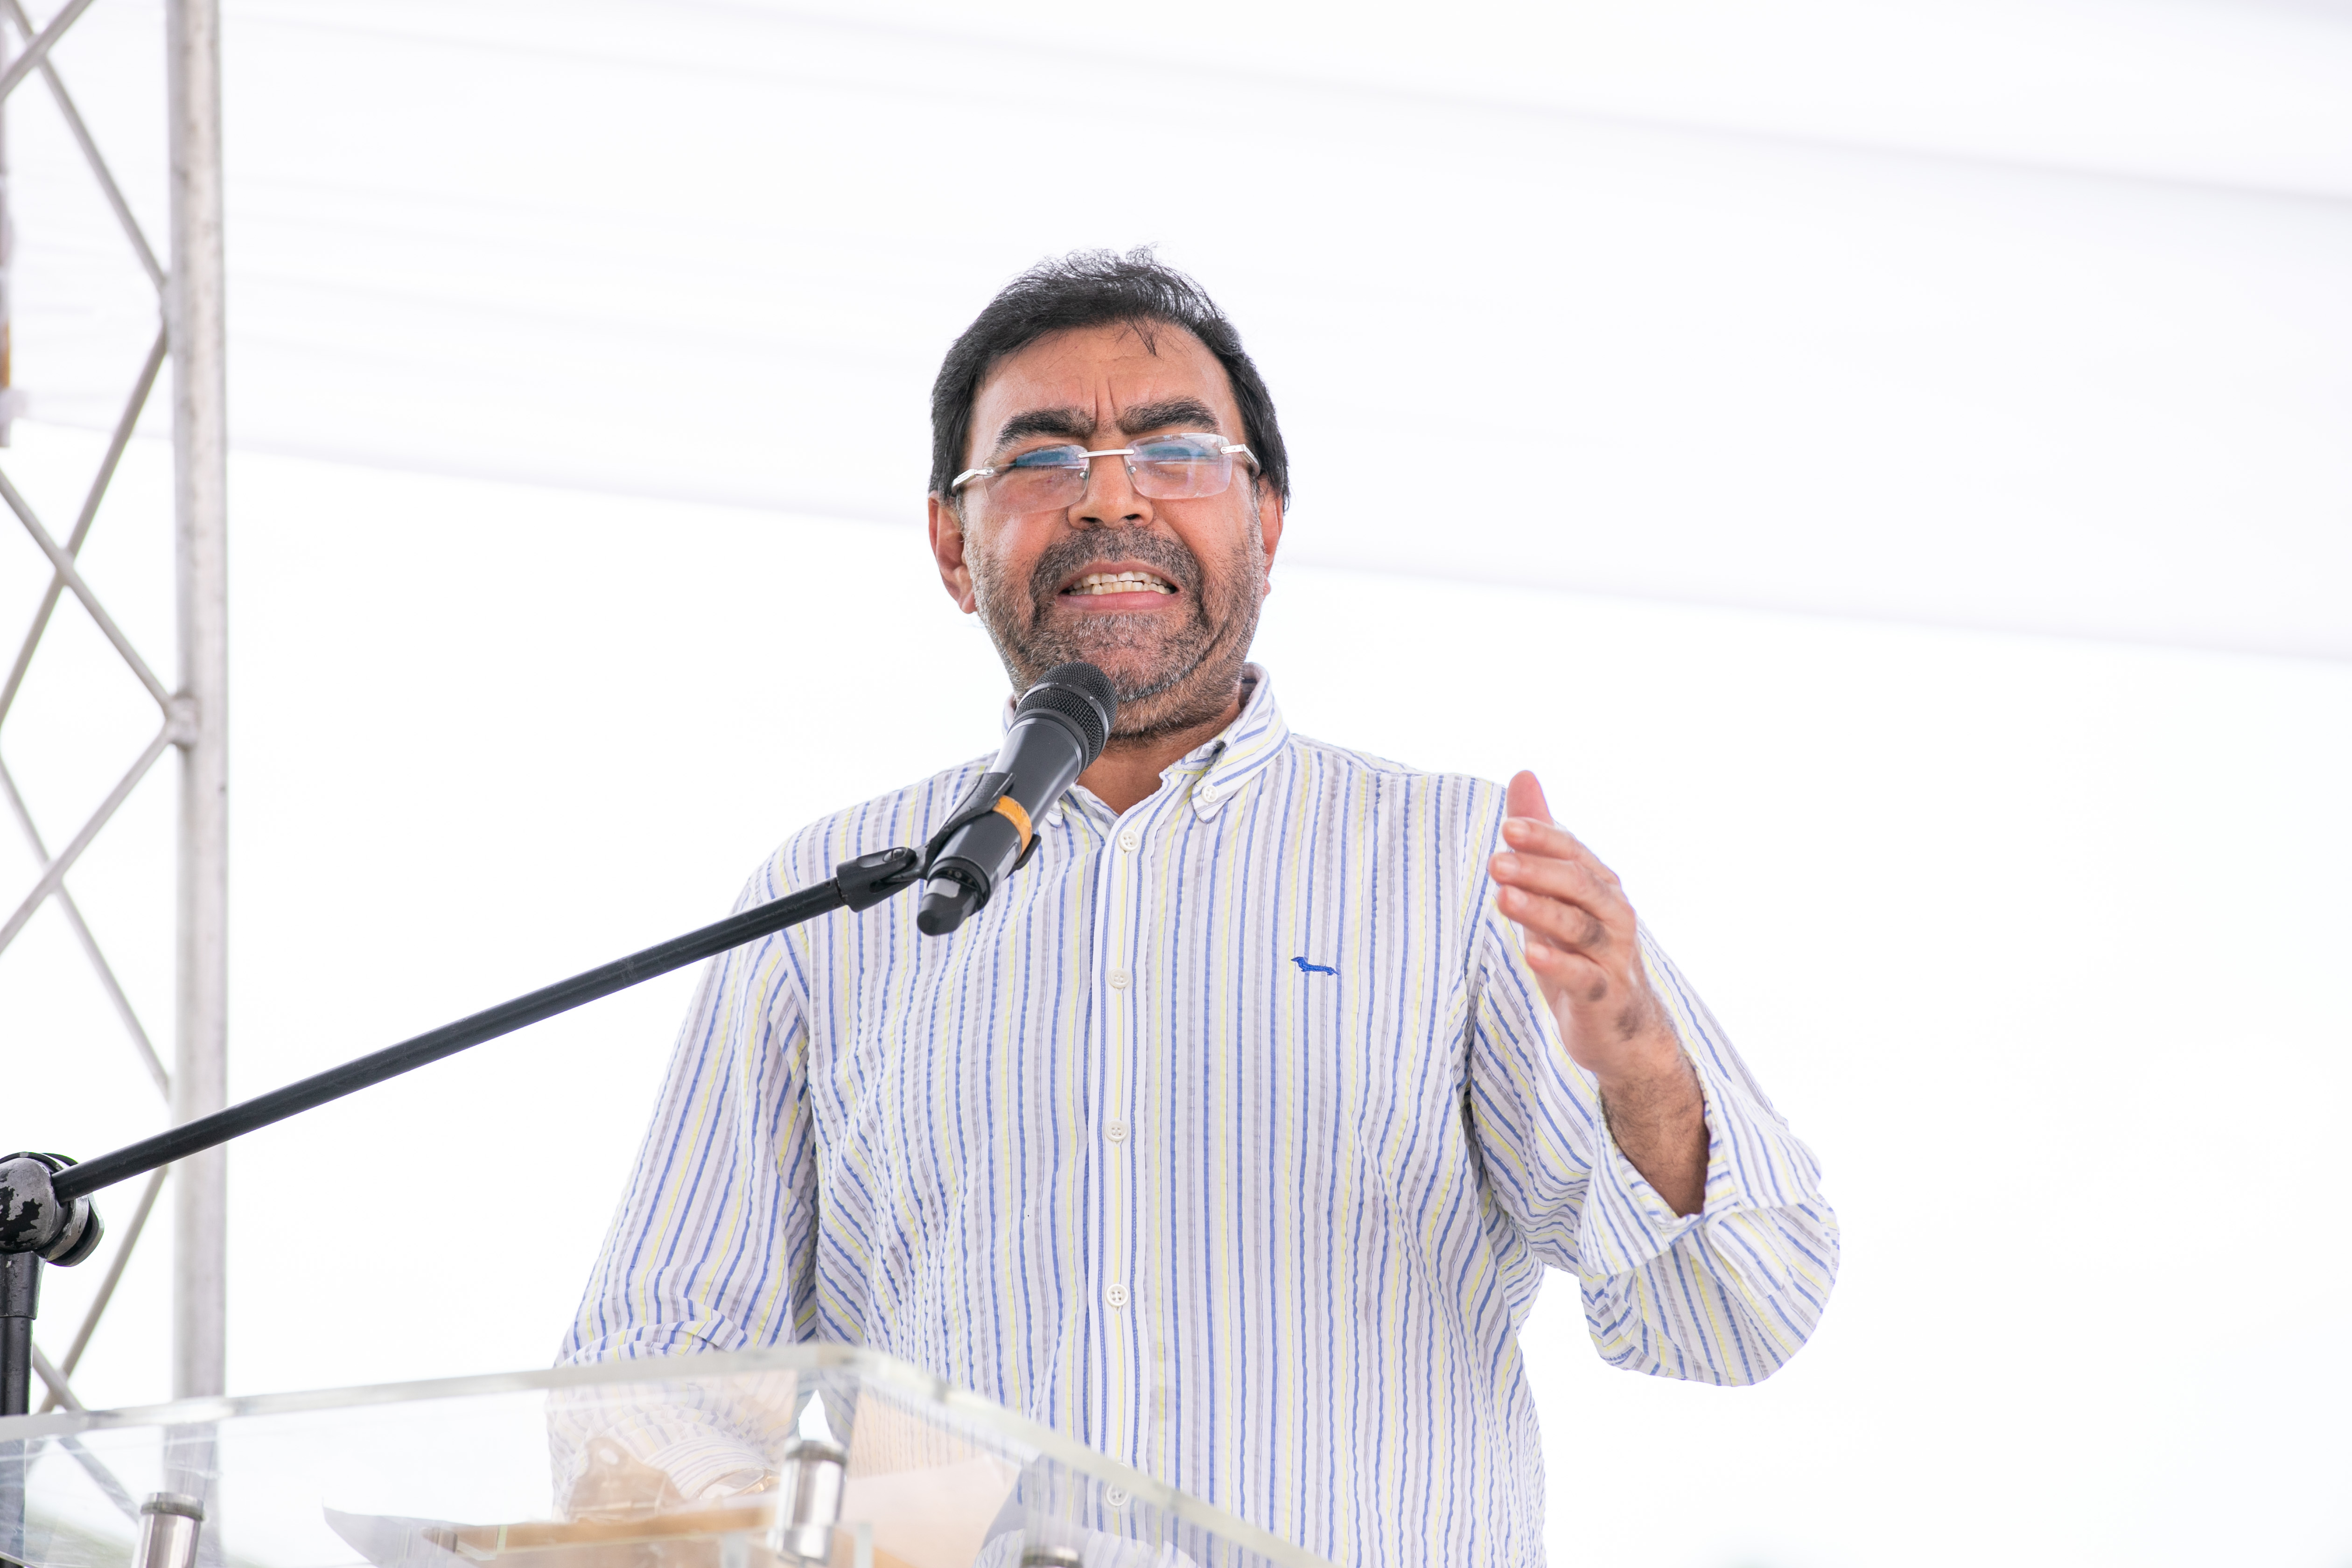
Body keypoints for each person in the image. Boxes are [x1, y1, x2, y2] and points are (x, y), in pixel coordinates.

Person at [560, 250, 1838, 1565]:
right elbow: (650, 1374)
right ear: (952, 544)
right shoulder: (831, 901)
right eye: (1043, 460)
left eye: (1176, 453)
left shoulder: (1464, 869)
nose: (1112, 498)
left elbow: (1739, 1315)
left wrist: (1644, 1078)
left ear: (1266, 521)